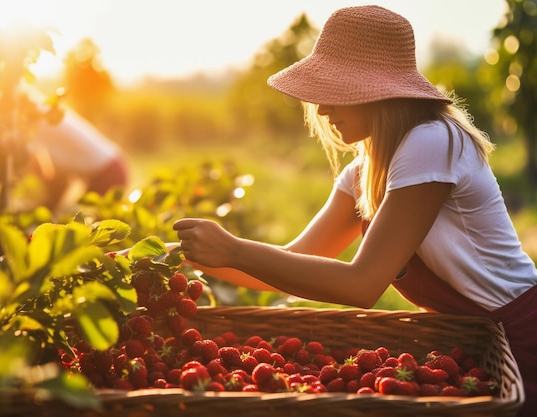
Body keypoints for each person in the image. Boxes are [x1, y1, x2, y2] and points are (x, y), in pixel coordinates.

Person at [172, 5, 537, 415]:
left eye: (335, 92)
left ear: (377, 90)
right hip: (468, 344)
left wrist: (235, 249)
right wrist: (176, 261)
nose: (323, 109)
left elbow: (362, 285)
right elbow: (293, 262)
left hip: (520, 343)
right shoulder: (362, 173)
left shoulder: (432, 141)